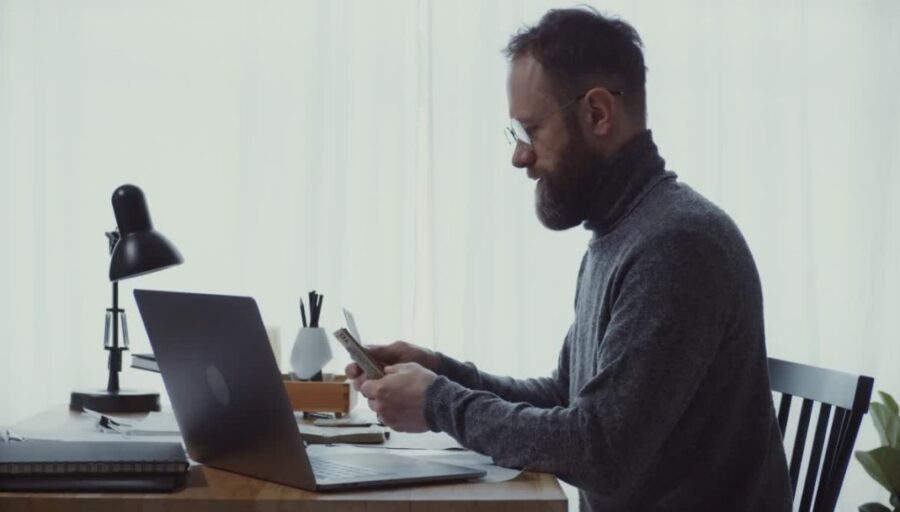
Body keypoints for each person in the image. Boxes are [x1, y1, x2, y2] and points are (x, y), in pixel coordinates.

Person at [346, 7, 792, 511]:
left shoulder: (678, 244)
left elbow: (599, 447)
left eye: (531, 131)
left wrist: (438, 402)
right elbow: (567, 396)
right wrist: (443, 373)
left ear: (598, 113)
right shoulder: (624, 234)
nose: (519, 156)